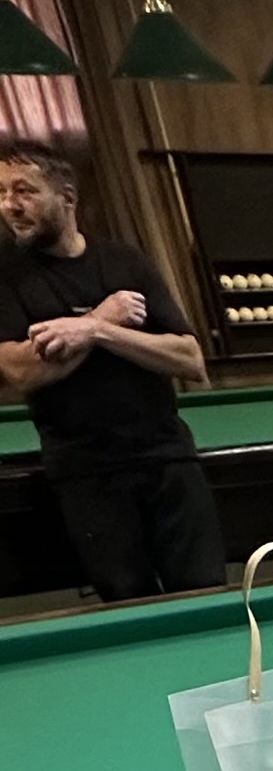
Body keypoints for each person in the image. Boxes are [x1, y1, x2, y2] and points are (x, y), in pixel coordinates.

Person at [0, 140, 221, 603]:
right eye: (1, 193)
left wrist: (97, 332)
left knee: (205, 596)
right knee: (127, 604)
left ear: (66, 196)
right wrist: (101, 317)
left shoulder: (126, 262)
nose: (10, 206)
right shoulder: (7, 277)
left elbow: (189, 359)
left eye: (24, 191)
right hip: (86, 472)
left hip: (168, 458)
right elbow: (21, 372)